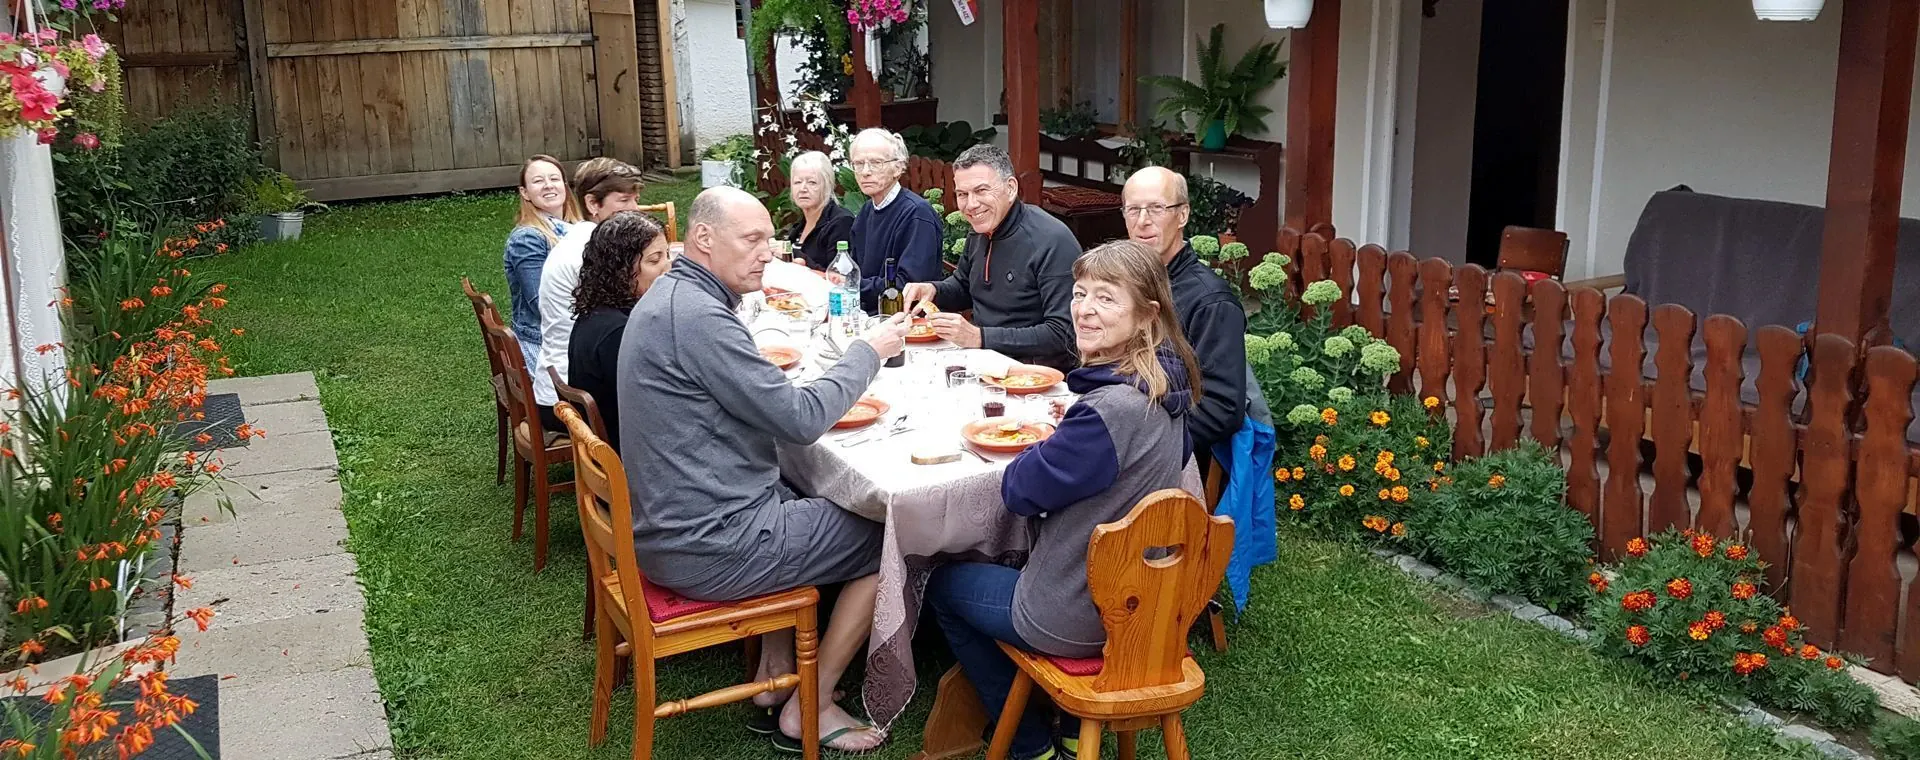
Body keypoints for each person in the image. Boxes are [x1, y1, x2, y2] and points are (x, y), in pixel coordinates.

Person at [619, 186, 910, 753]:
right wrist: (868, 351)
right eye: (752, 240)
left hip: (668, 523)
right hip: (709, 545)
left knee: (796, 485)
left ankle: (772, 674)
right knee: (892, 535)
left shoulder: (671, 297)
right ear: (702, 239)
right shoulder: (698, 317)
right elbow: (800, 419)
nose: (767, 253)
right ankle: (811, 704)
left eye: (769, 241)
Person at [924, 240, 1202, 760]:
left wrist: (1047, 445)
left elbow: (1019, 493)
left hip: (1078, 615)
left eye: (1106, 298)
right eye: (1079, 294)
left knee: (944, 585)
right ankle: (1074, 731)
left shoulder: (1106, 412)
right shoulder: (1167, 390)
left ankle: (1030, 745)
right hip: (1150, 609)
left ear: (1147, 316)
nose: (1085, 308)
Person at [901, 144, 1081, 371]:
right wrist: (933, 291)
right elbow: (964, 285)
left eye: (981, 191)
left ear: (1011, 188)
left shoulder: (1051, 240)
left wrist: (980, 337)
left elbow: (1063, 332)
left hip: (1034, 373)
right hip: (982, 361)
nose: (971, 205)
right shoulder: (980, 230)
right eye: (962, 194)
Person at [1121, 166, 1248, 464]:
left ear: (1183, 215)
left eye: (1156, 208)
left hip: (1168, 459)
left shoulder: (1210, 301)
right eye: (1133, 210)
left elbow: (1222, 409)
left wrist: (1144, 443)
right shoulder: (1124, 281)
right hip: (1121, 427)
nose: (1143, 221)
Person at [532, 158, 644, 432]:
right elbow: (635, 318)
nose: (635, 210)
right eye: (624, 201)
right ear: (593, 204)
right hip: (570, 399)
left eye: (635, 200)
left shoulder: (585, 238)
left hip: (566, 382)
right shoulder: (593, 253)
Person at [567, 212, 669, 449]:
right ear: (621, 269)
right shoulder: (619, 333)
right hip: (636, 452)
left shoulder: (599, 311)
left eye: (667, 256)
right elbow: (659, 405)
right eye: (655, 260)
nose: (668, 267)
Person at [502, 155, 584, 372]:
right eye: (538, 181)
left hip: (569, 329)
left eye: (554, 179)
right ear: (525, 193)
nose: (548, 185)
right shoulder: (527, 238)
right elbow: (541, 304)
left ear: (565, 186)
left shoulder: (573, 228)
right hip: (543, 341)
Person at [847, 128, 943, 311]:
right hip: (866, 313)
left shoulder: (917, 214)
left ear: (898, 168)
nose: (865, 171)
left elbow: (908, 287)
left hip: (904, 321)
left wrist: (850, 286)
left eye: (876, 163)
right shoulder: (867, 210)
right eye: (858, 164)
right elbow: (855, 270)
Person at [782, 150, 855, 271]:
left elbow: (837, 275)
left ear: (827, 185)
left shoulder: (841, 222)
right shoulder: (800, 225)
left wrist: (792, 254)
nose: (803, 188)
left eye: (812, 182)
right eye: (797, 182)